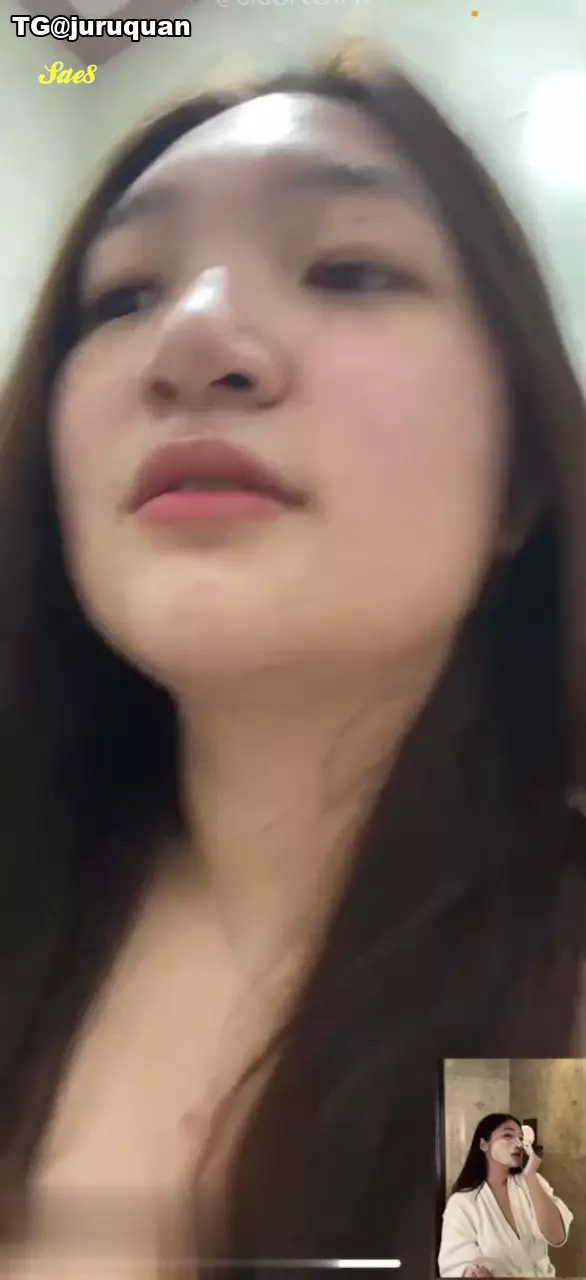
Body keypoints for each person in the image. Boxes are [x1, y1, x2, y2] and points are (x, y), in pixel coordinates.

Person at [1, 43, 586, 1279]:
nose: (192, 338)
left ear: (522, 476)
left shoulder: (547, 1014)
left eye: (350, 269)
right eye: (122, 297)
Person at [438, 1113, 573, 1277]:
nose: (519, 1143)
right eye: (508, 1135)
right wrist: (472, 1272)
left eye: (521, 1138)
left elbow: (557, 1236)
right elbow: (456, 1263)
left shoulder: (532, 1183)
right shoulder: (463, 1202)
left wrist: (530, 1176)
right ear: (484, 1145)